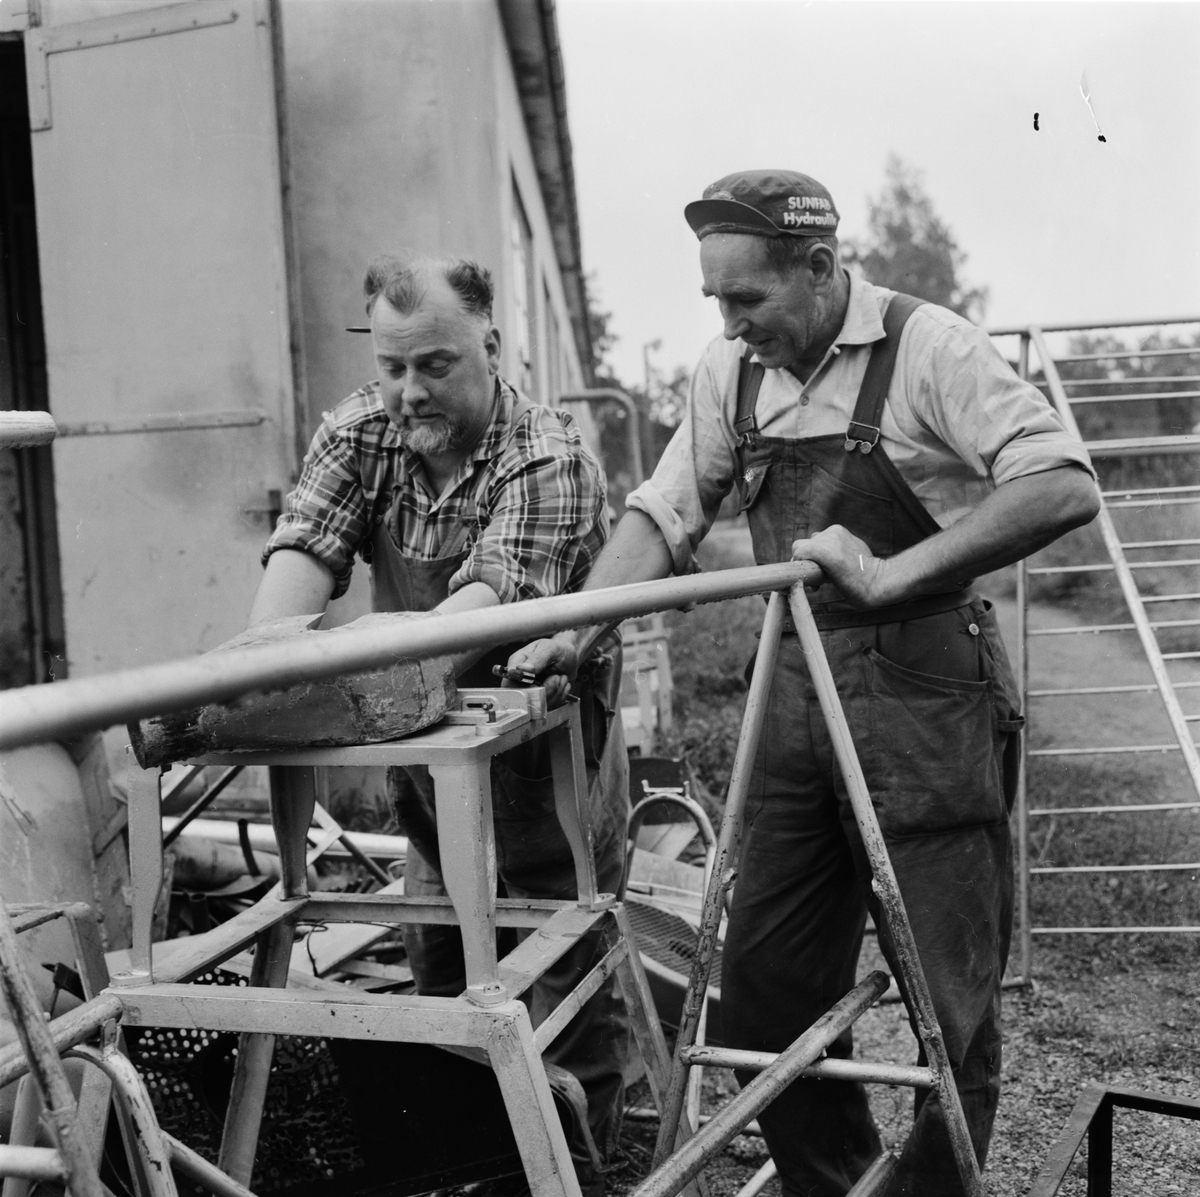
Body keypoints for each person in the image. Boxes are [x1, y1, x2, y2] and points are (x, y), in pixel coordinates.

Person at [508, 170, 1100, 1197]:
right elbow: (664, 512)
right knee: (764, 1001)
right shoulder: (729, 375)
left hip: (925, 710)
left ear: (821, 269)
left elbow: (1060, 482)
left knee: (945, 1012)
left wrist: (898, 573)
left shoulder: (929, 348)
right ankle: (837, 1182)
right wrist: (577, 626)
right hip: (796, 708)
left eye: (749, 300)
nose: (733, 326)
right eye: (716, 303)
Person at [250, 252, 630, 1195]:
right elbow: (292, 579)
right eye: (391, 366)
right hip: (432, 761)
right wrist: (249, 671)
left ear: (491, 347)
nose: (407, 392)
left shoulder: (547, 454)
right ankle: (469, 1163)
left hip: (549, 760)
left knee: (562, 956)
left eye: (434, 366)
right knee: (442, 962)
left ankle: (585, 1166)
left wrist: (337, 664)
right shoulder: (360, 431)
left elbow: (473, 619)